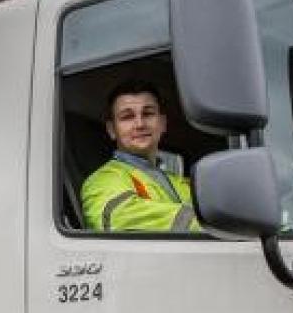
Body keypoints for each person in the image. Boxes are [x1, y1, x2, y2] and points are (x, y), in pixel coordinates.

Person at [81, 80, 202, 233]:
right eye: (127, 117)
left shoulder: (183, 183)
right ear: (112, 130)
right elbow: (120, 218)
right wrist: (208, 224)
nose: (139, 124)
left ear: (163, 123)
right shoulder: (101, 181)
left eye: (148, 113)